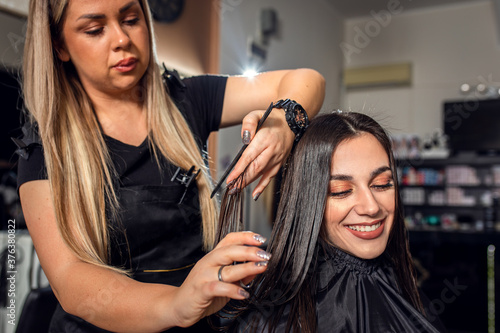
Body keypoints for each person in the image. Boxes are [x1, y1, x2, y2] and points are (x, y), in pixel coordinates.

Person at [15, 0, 325, 332]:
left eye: (131, 19)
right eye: (95, 29)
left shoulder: (188, 100)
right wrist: (176, 306)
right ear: (60, 46)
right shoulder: (44, 149)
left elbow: (306, 78)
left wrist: (283, 121)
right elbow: (72, 281)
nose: (121, 39)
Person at [216, 112, 445, 332]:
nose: (372, 207)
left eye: (382, 184)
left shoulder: (398, 280)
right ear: (307, 201)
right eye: (341, 191)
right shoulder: (275, 317)